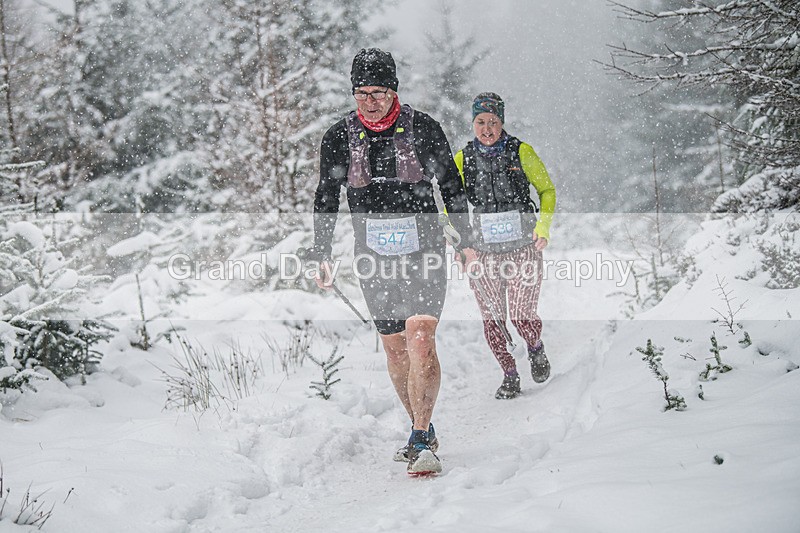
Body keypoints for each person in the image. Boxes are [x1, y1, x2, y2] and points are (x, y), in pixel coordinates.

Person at [308, 48, 476, 475]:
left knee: (421, 336)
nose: (369, 101)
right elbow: (327, 197)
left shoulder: (422, 129)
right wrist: (321, 251)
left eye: (378, 92)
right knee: (395, 349)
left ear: (393, 90)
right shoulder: (339, 137)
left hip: (424, 250)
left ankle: (420, 439)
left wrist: (466, 240)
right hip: (373, 256)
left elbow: (451, 186)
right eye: (361, 92)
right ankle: (422, 424)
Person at [454, 92, 556, 400]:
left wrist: (543, 227)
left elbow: (547, 190)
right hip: (482, 252)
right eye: (480, 122)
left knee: (521, 314)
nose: (487, 129)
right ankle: (509, 374)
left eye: (493, 122)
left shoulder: (521, 152)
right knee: (493, 318)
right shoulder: (462, 158)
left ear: (502, 122)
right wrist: (461, 244)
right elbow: (448, 205)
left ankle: (535, 347)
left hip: (523, 247)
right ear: (473, 123)